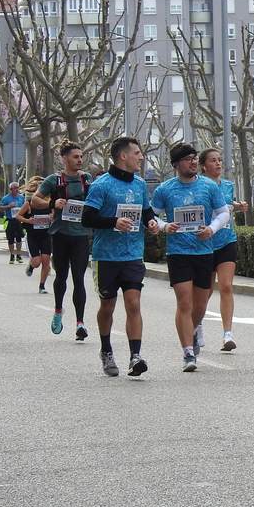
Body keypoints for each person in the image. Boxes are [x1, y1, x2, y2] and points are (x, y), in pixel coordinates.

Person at [81, 136, 157, 378]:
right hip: (106, 256)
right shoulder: (101, 185)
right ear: (123, 156)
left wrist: (152, 222)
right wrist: (114, 221)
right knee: (108, 305)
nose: (141, 157)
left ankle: (135, 356)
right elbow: (87, 218)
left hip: (133, 254)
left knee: (133, 303)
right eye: (137, 153)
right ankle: (106, 350)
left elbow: (146, 212)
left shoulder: (140, 185)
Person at [152, 143, 229, 372]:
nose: (193, 162)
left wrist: (211, 230)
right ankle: (187, 352)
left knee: (201, 305)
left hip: (204, 251)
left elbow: (223, 213)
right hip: (178, 252)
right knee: (184, 302)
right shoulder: (164, 190)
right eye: (188, 159)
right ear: (177, 165)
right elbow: (151, 217)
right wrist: (165, 226)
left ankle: (194, 329)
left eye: (195, 158)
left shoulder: (209, 186)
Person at [33, 143, 94, 339]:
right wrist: (52, 203)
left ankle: (80, 324)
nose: (80, 160)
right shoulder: (54, 180)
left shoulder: (87, 179)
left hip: (81, 236)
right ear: (64, 159)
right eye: (75, 156)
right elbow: (35, 200)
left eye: (81, 156)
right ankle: (58, 310)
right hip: (60, 235)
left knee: (79, 279)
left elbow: (95, 200)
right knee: (61, 277)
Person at [200, 148, 247, 352]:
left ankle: (228, 334)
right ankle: (197, 324)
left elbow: (227, 205)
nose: (218, 164)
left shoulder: (228, 185)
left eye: (220, 160)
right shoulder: (199, 187)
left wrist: (238, 206)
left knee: (226, 286)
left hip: (227, 239)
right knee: (206, 291)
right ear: (203, 166)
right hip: (205, 243)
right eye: (213, 160)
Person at [16, 176, 52, 294]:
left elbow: (56, 217)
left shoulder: (50, 204)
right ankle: (31, 266)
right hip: (32, 236)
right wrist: (28, 221)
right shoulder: (29, 204)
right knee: (37, 262)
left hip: (46, 235)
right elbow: (18, 216)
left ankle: (42, 286)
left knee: (46, 260)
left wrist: (52, 218)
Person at [0, 182, 25, 264]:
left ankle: (18, 255)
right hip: (9, 220)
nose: (16, 189)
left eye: (17, 187)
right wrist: (8, 206)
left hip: (18, 220)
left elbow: (25, 206)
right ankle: (12, 255)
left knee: (19, 238)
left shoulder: (21, 197)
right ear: (10, 189)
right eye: (14, 188)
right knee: (10, 239)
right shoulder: (6, 198)